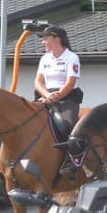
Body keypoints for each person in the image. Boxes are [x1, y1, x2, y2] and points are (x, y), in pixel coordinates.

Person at [34, 25, 83, 176]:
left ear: (56, 39)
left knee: (68, 126)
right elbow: (38, 81)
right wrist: (47, 95)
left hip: (66, 98)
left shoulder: (71, 57)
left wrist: (56, 97)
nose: (43, 42)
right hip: (45, 97)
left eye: (46, 38)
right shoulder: (44, 58)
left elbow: (70, 84)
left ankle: (71, 161)